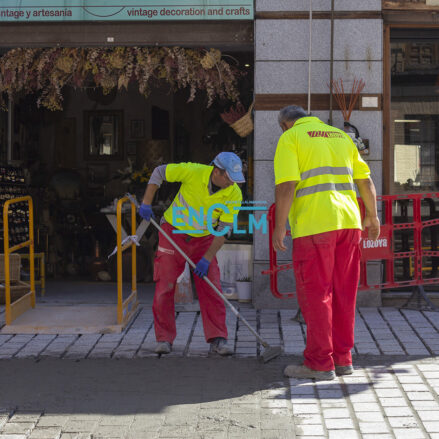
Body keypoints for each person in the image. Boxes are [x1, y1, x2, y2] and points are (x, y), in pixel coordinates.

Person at [272, 105, 380, 380]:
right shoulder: (341, 136)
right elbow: (365, 181)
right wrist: (372, 216)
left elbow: (286, 186)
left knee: (316, 294)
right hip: (348, 223)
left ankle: (319, 363)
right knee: (344, 292)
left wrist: (279, 226)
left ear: (285, 124)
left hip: (314, 225)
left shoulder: (291, 138)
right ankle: (343, 359)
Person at [139, 152, 244, 355]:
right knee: (165, 286)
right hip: (173, 233)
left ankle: (218, 338)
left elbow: (223, 229)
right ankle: (164, 338)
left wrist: (206, 259)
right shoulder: (193, 171)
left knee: (212, 285)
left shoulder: (234, 194)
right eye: (229, 178)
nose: (233, 184)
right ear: (217, 171)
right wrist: (146, 202)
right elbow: (159, 172)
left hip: (205, 239)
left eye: (236, 180)